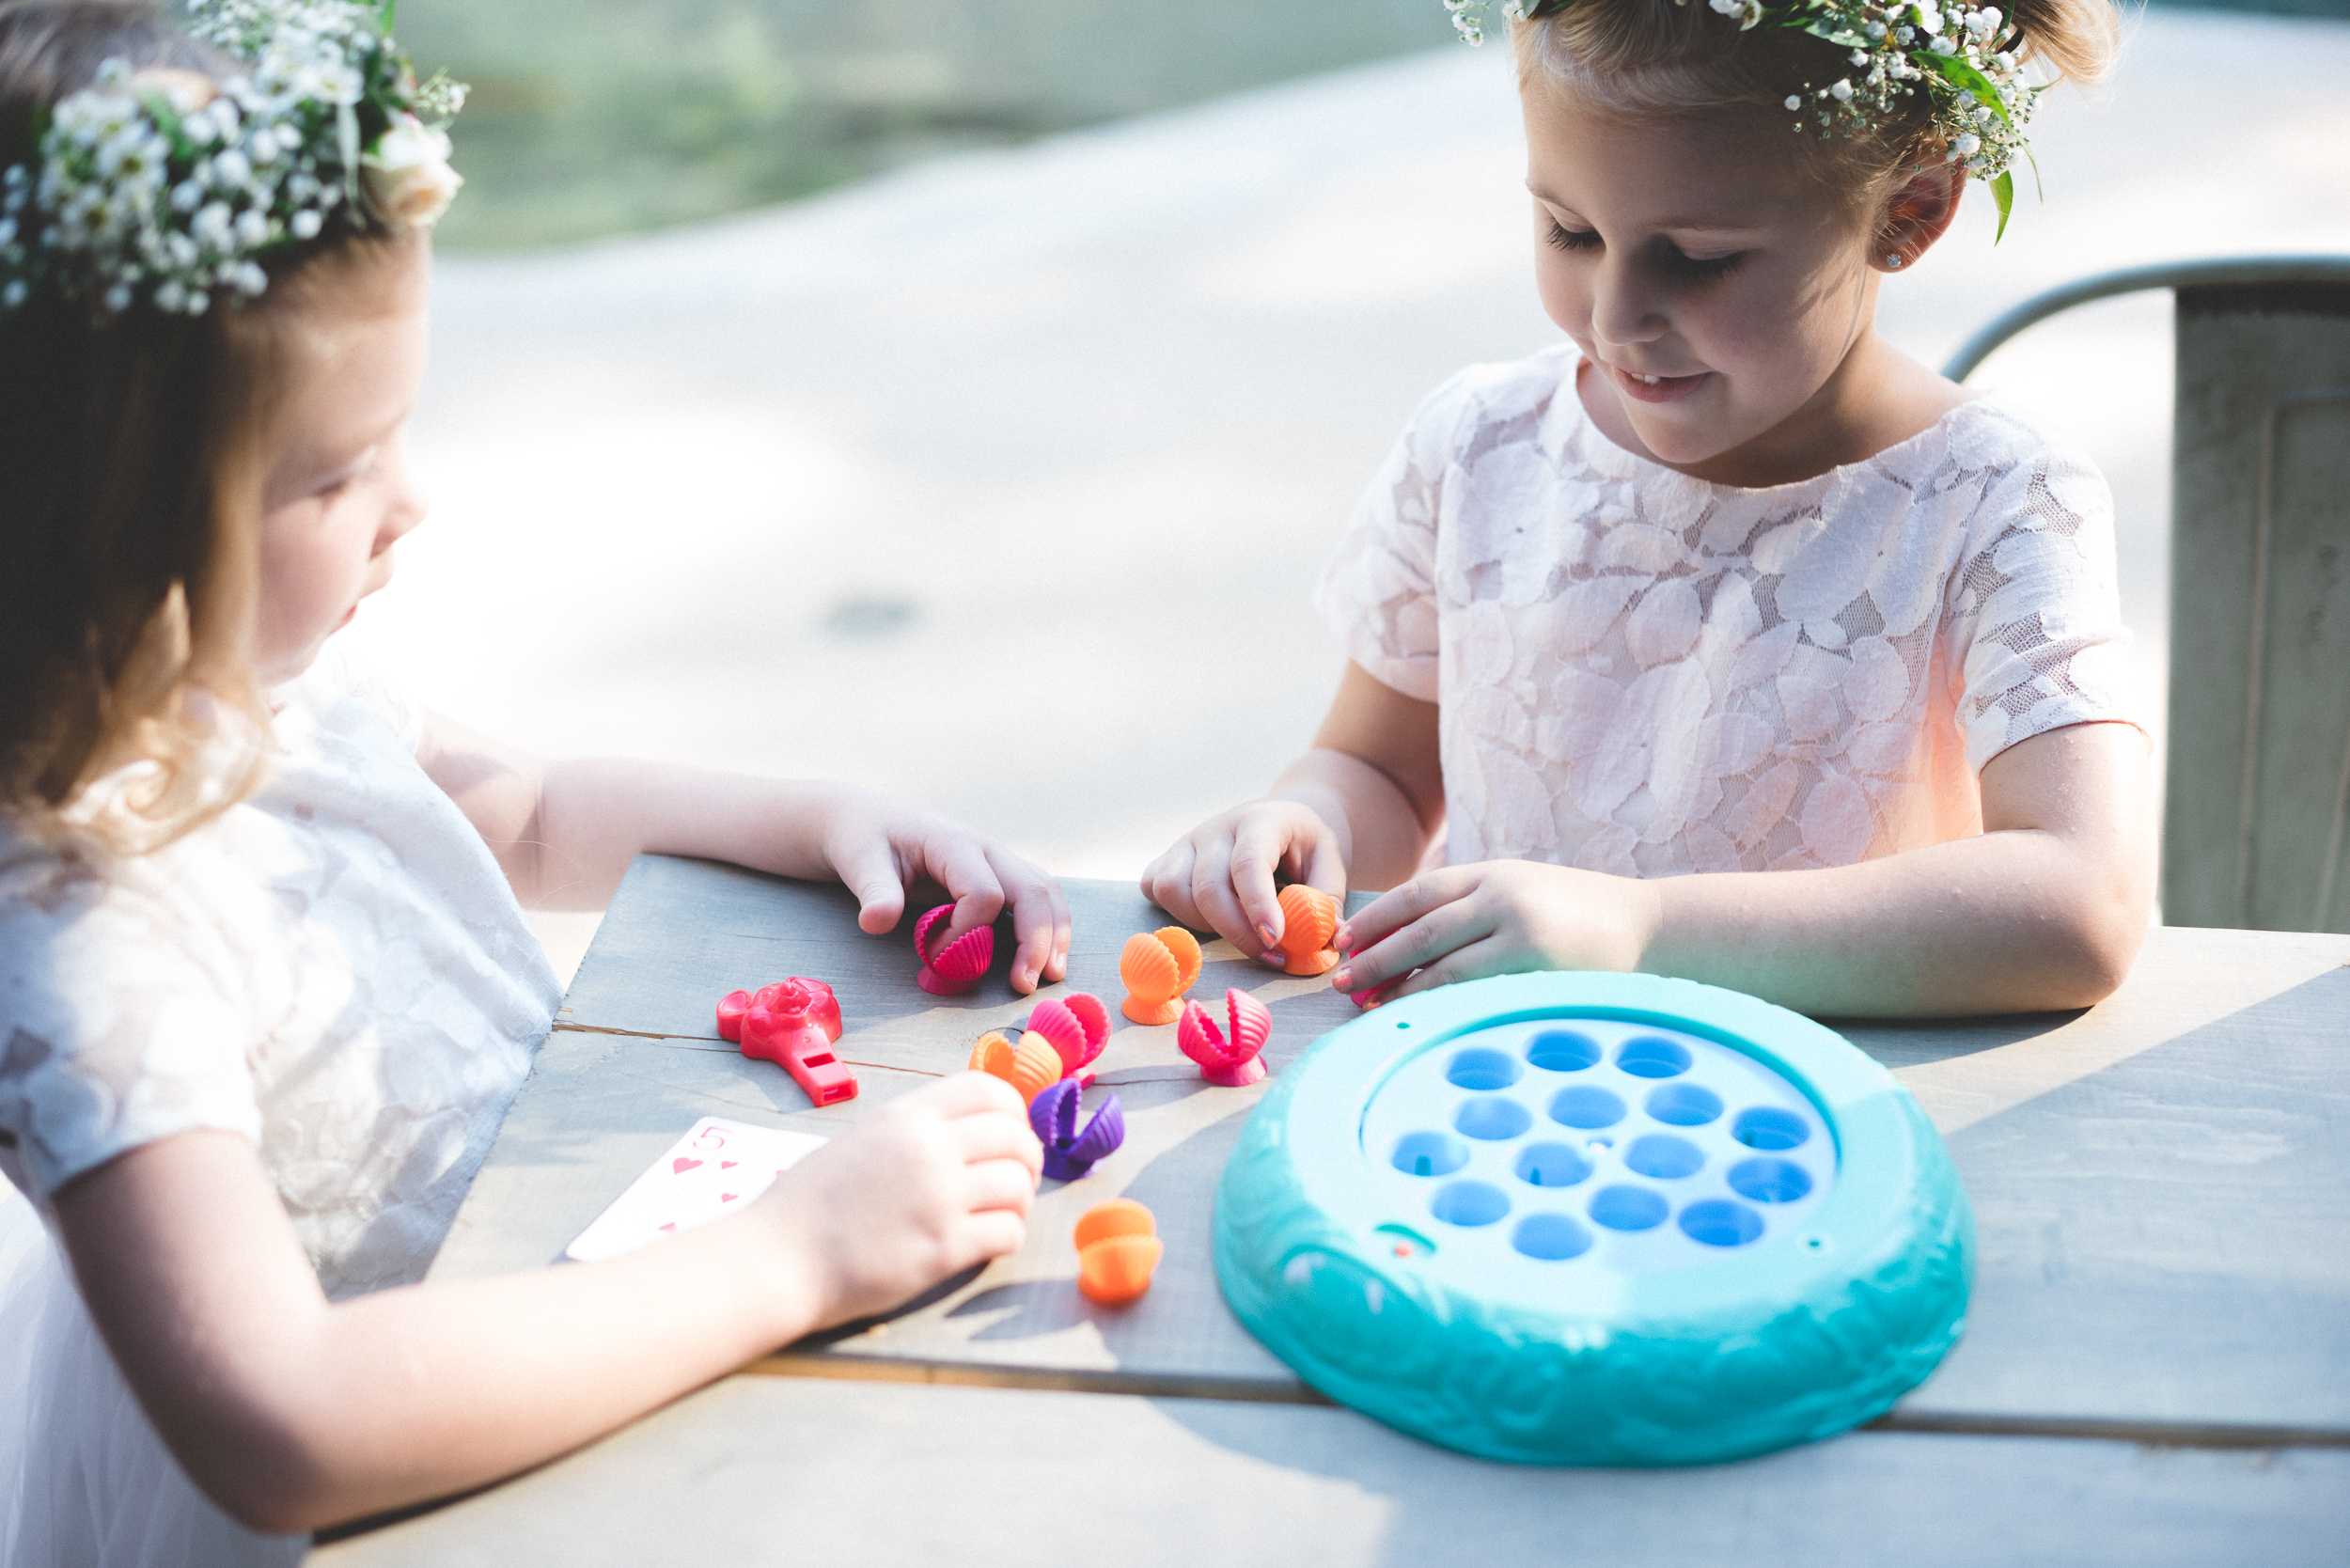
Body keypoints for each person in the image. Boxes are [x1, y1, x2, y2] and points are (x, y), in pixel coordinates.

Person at [0, 3, 1059, 1561]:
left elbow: (525, 812)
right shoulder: (82, 935)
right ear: (109, 522)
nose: (410, 502)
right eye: (334, 471)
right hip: (396, 1472)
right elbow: (284, 1418)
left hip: (533, 1322)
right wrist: (796, 1251)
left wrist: (813, 816)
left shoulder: (242, 685)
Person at [1144, 0, 2154, 1019]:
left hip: (1813, 1126)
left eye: (1701, 256)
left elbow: (2079, 903)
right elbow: (1381, 773)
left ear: (1910, 210)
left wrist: (1638, 932)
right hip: (1494, 1095)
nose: (1618, 315)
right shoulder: (1481, 449)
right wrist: (1305, 821)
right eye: (1569, 231)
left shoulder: (1993, 500)